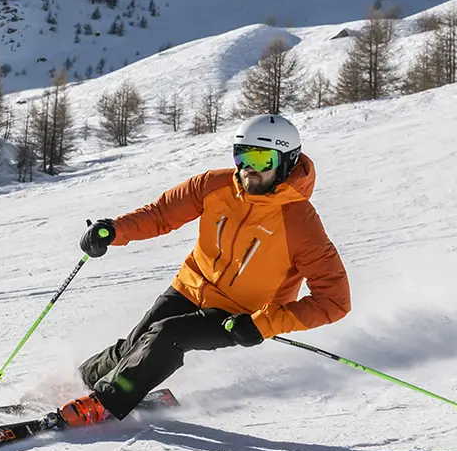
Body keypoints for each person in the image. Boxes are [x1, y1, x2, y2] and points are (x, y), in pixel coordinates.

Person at [58, 113, 351, 427]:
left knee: (167, 336)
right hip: (191, 285)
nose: (248, 168)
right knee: (137, 342)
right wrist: (114, 231)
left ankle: (104, 403)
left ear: (287, 162)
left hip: (238, 313)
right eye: (242, 156)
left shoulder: (299, 221)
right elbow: (160, 215)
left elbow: (334, 301)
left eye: (262, 159)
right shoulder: (214, 185)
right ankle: (83, 379)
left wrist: (263, 324)